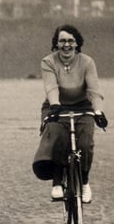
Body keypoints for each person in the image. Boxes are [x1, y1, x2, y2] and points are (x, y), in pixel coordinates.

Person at [32, 24, 107, 204]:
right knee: (58, 135)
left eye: (70, 41)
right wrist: (56, 105)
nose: (66, 45)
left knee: (85, 142)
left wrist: (97, 110)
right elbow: (51, 86)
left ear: (77, 43)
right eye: (62, 41)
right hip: (57, 106)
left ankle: (85, 182)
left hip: (83, 106)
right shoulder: (48, 61)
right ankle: (57, 182)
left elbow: (94, 89)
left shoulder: (87, 62)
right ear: (56, 44)